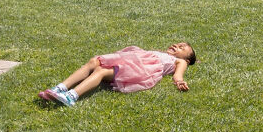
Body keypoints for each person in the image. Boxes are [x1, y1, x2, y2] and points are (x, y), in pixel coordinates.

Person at [38, 42, 197, 107]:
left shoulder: (180, 62)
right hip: (132, 61)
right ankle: (60, 87)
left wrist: (179, 82)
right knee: (95, 61)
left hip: (142, 70)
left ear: (187, 60)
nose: (177, 45)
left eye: (182, 48)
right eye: (177, 44)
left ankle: (71, 96)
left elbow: (178, 75)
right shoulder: (158, 53)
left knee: (101, 71)